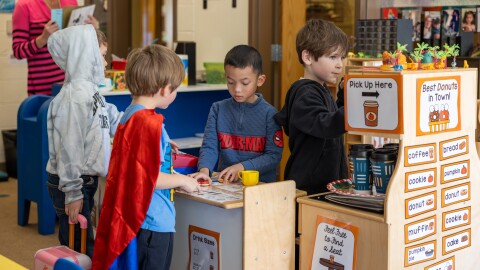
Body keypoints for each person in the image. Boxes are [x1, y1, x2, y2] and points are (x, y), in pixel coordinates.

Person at [92, 44, 202, 270]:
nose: (175, 94)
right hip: (154, 222)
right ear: (164, 89)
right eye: (175, 88)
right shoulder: (149, 124)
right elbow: (149, 178)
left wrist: (161, 144)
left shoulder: (129, 116)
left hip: (136, 221)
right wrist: (185, 181)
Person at [45, 24, 122, 258]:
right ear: (85, 55)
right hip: (71, 182)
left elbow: (110, 116)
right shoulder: (74, 98)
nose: (106, 63)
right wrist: (73, 193)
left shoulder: (90, 92)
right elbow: (69, 149)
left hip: (83, 181)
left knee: (84, 245)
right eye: (102, 56)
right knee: (77, 248)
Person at [274, 19, 348, 195]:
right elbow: (327, 125)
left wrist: (344, 99)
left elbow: (329, 117)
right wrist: (357, 108)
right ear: (307, 57)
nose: (340, 64)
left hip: (325, 185)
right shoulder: (305, 93)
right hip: (310, 188)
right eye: (332, 57)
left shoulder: (318, 89)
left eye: (341, 57)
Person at [190, 45, 283, 184]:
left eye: (245, 83)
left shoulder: (270, 114)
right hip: (227, 185)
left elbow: (273, 156)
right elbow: (210, 146)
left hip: (260, 188)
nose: (237, 89)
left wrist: (242, 168)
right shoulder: (218, 109)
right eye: (231, 82)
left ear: (260, 80)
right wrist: (204, 170)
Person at [12, 0, 98, 96]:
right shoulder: (24, 5)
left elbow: (79, 45)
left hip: (73, 86)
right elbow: (18, 51)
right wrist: (42, 39)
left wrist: (92, 31)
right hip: (43, 89)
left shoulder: (71, 2)